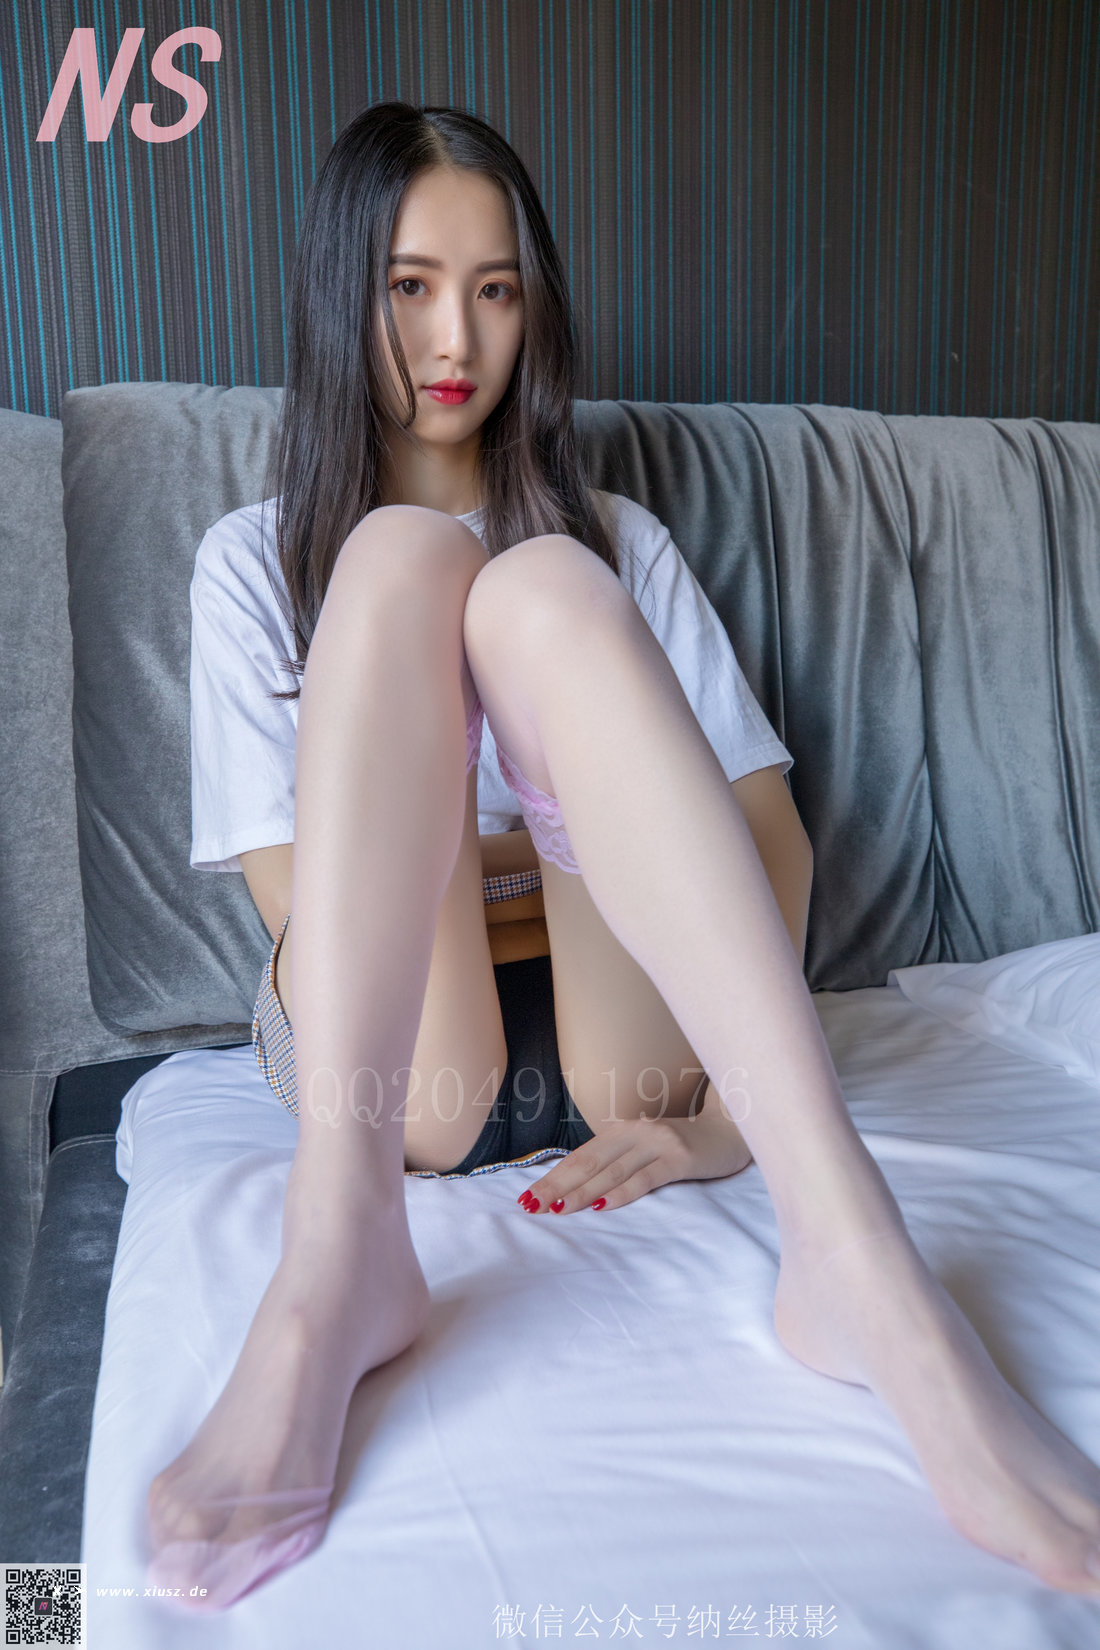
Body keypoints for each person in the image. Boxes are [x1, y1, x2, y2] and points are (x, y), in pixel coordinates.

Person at [146, 101, 1100, 1612]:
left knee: (539, 586)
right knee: (403, 564)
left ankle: (854, 1257)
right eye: (410, 285)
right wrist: (563, 804)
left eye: (497, 288)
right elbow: (301, 906)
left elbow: (769, 847)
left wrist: (717, 1125)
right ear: (344, 296)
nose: (457, 336)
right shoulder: (254, 563)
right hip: (394, 1077)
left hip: (628, 1054)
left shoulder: (617, 547)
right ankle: (333, 1265)